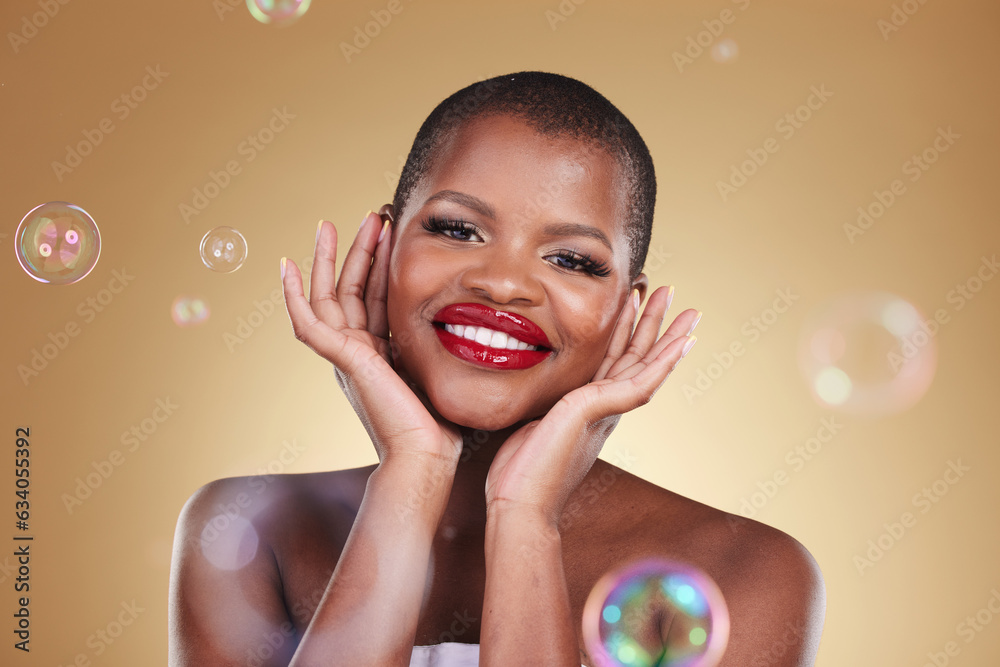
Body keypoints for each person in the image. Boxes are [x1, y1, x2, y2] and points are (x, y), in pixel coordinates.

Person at [168, 71, 825, 666]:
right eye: (458, 229)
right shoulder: (245, 529)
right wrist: (411, 471)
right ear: (382, 251)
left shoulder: (748, 568)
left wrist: (524, 517)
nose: (503, 283)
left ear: (628, 313)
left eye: (572, 260)